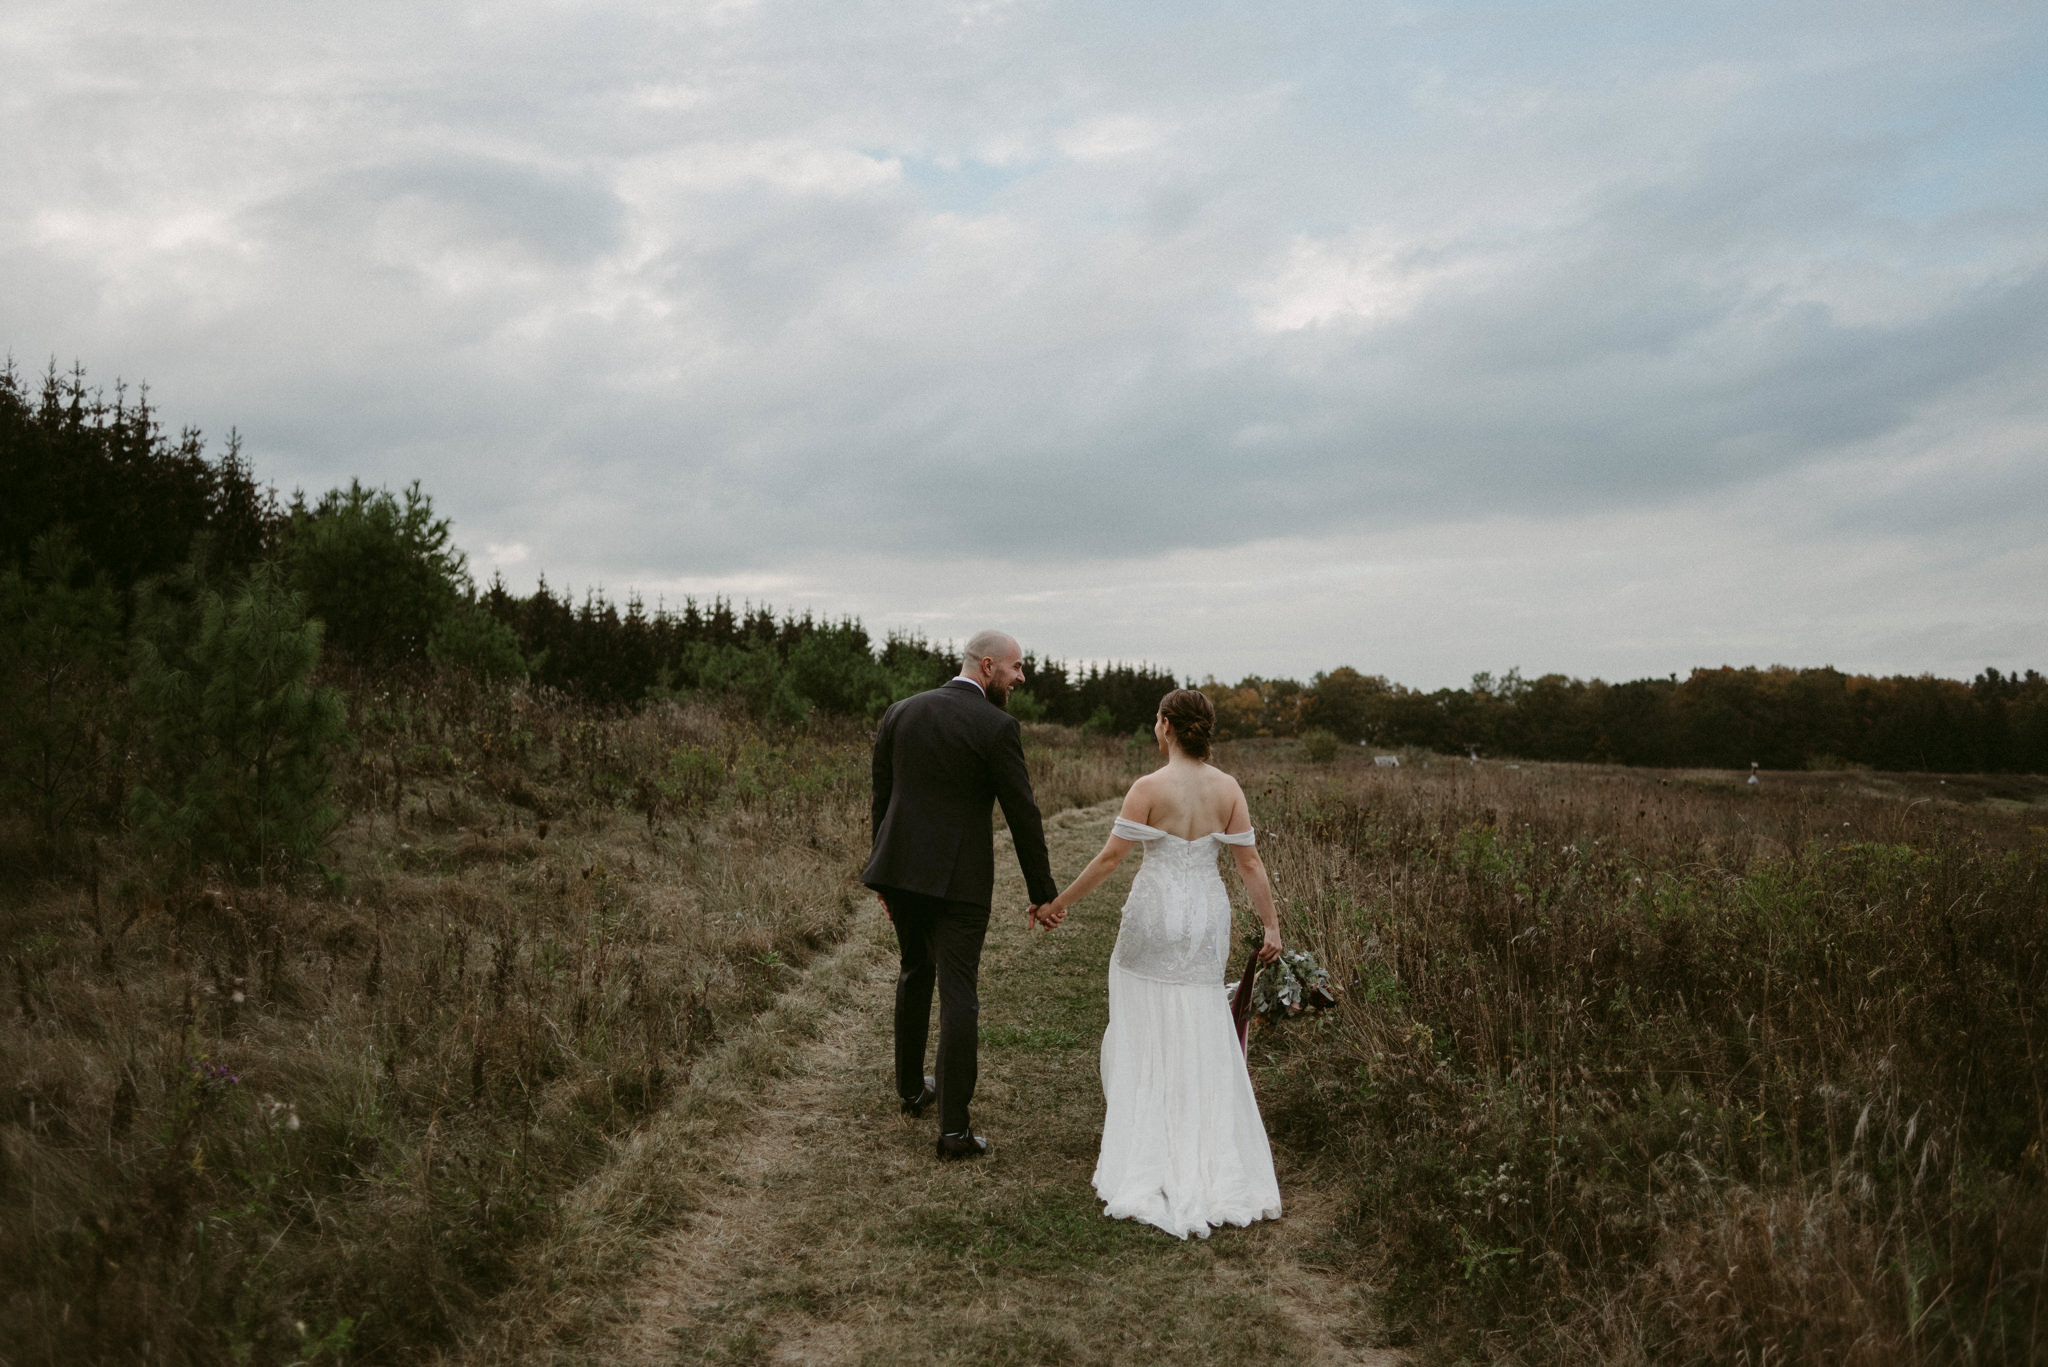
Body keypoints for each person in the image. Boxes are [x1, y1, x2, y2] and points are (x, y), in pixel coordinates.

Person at [1034, 688, 1284, 1237]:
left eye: (1156, 719)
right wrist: (1271, 925)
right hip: (1204, 921)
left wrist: (1057, 905)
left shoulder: (1148, 788)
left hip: (1154, 917)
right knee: (1200, 1021)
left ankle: (1148, 1136)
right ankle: (1204, 1144)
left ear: (1167, 726)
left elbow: (1109, 859)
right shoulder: (1228, 788)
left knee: (1142, 1016)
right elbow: (1248, 864)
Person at [863, 629, 1060, 1159]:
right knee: (959, 994)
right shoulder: (996, 726)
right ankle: (952, 1132)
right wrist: (1043, 893)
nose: (1021, 678)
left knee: (913, 970)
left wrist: (882, 873)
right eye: (1017, 668)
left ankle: (910, 1090)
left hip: (901, 874)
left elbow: (882, 798)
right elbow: (1023, 814)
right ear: (988, 665)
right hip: (960, 885)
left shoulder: (900, 712)